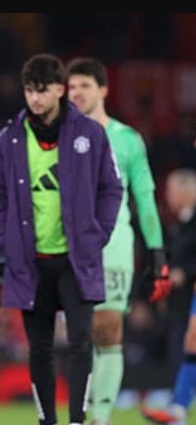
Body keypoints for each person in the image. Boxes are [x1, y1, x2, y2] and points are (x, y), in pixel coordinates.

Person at [0, 53, 123, 425]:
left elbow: (111, 188)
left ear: (60, 90)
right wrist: (6, 239)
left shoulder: (90, 134)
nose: (35, 98)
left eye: (42, 90)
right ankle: (48, 420)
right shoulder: (10, 138)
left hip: (76, 259)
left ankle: (77, 419)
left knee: (80, 341)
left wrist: (98, 234)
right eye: (29, 90)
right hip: (30, 261)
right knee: (40, 346)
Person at [66, 56, 171, 425]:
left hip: (114, 246)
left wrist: (156, 251)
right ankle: (80, 411)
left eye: (84, 86)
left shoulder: (127, 140)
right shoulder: (58, 137)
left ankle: (101, 416)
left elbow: (144, 197)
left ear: (103, 90)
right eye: (71, 87)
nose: (77, 93)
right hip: (67, 247)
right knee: (78, 332)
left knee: (108, 326)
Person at [140, 168, 196, 425]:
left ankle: (178, 407)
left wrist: (185, 272)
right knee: (190, 341)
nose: (167, 195)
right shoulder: (178, 223)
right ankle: (178, 408)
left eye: (172, 189)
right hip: (186, 296)